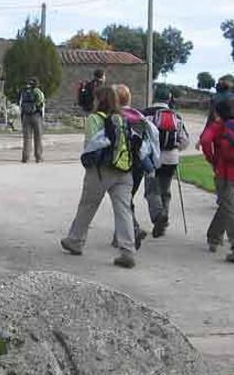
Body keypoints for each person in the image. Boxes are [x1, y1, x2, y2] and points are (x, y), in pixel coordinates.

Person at [61, 85, 137, 268]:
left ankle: (75, 240)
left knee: (88, 205)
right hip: (124, 169)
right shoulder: (123, 119)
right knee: (123, 210)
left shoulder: (94, 119)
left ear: (100, 100)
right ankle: (127, 250)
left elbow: (90, 144)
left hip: (101, 171)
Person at [200, 94, 234, 264]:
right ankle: (214, 237)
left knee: (231, 210)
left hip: (226, 173)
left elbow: (205, 140)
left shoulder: (219, 126)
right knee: (229, 206)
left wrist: (213, 159)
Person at [115, 84, 160, 249]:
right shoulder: (139, 115)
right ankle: (121, 235)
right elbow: (152, 137)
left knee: (123, 199)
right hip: (140, 161)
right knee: (127, 197)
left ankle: (133, 229)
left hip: (123, 162)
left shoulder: (117, 116)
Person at [143, 84, 190, 238]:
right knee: (165, 190)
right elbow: (184, 141)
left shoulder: (147, 114)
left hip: (152, 159)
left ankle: (158, 217)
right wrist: (176, 148)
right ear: (169, 98)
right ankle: (164, 220)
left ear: (154, 97)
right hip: (171, 159)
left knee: (151, 190)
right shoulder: (176, 116)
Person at [18, 77, 46, 163]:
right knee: (38, 138)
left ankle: (25, 158)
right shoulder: (37, 91)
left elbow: (20, 103)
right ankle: (38, 157)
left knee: (27, 138)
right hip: (36, 116)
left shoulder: (24, 92)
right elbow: (42, 102)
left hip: (26, 116)